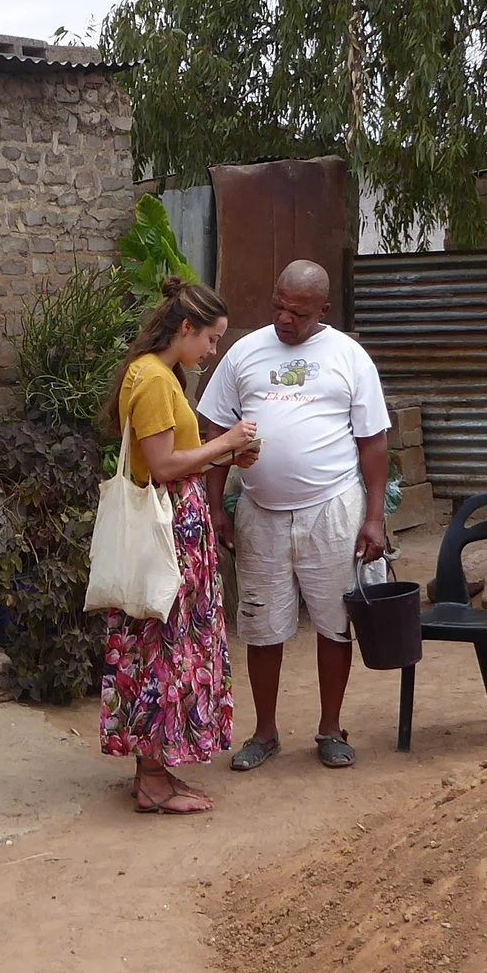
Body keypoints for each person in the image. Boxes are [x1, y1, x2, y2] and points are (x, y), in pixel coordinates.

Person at [198, 259, 392, 771]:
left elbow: (373, 443)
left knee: (334, 622)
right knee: (261, 626)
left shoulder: (349, 356)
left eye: (298, 312)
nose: (285, 319)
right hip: (260, 512)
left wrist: (374, 518)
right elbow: (215, 432)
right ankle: (264, 733)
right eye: (278, 306)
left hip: (333, 508)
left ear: (324, 311)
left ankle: (330, 729)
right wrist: (216, 506)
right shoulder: (244, 352)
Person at [97, 279, 259, 815]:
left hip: (174, 526)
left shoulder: (160, 375)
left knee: (163, 642)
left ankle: (156, 769)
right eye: (210, 340)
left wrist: (224, 458)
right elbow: (163, 466)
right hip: (167, 530)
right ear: (185, 329)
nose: (212, 352)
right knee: (161, 645)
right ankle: (151, 778)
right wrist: (227, 443)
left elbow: (174, 456)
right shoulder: (153, 381)